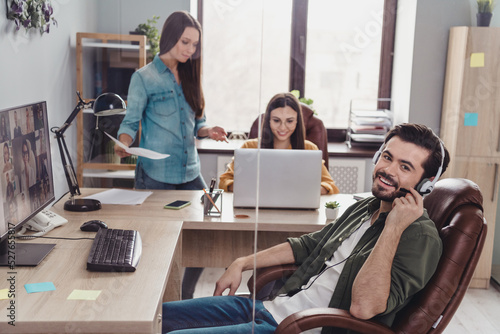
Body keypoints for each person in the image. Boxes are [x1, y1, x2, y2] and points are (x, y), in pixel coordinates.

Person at [162, 123, 450, 334]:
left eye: (405, 167)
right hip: (272, 308)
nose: (389, 170)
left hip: (301, 328)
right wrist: (242, 262)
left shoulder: (419, 236)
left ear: (424, 185)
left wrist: (393, 229)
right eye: (387, 157)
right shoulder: (365, 207)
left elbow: (364, 308)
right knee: (159, 318)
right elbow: (308, 245)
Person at [115, 11, 227, 300]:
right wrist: (123, 142)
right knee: (153, 241)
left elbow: (198, 123)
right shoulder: (144, 77)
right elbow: (130, 121)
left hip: (190, 171)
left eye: (194, 45)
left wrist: (209, 129)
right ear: (170, 38)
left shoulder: (191, 74)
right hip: (155, 175)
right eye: (185, 42)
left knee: (210, 226)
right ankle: (152, 299)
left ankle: (184, 295)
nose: (190, 50)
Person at [219, 92, 339, 195]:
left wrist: (304, 191)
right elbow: (224, 181)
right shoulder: (250, 147)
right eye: (276, 120)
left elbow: (330, 185)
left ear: (297, 121)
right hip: (258, 210)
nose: (283, 127)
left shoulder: (309, 148)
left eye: (289, 121)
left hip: (298, 210)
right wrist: (252, 189)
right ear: (268, 121)